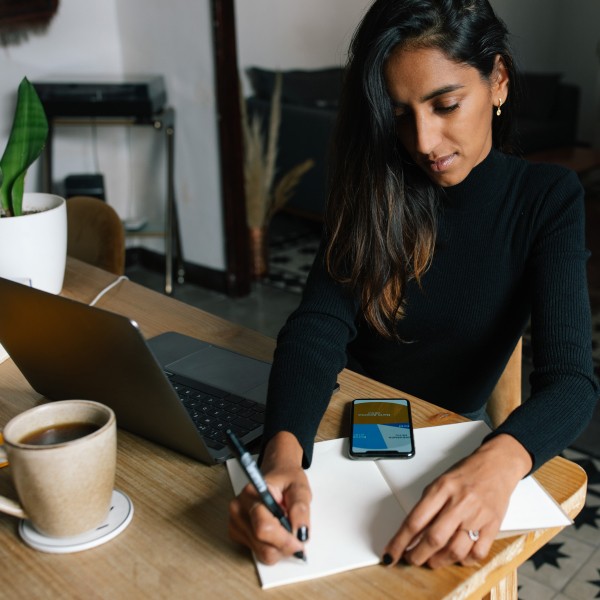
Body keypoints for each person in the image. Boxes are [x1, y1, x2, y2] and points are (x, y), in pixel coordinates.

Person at [229, 0, 599, 570]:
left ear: (498, 80)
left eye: (446, 104)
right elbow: (317, 328)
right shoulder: (375, 183)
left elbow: (572, 380)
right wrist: (282, 454)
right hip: (331, 416)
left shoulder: (547, 199)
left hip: (442, 438)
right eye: (401, 115)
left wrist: (498, 463)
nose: (424, 141)